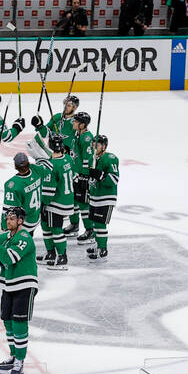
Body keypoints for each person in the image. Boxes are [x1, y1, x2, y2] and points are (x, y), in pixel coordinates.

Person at [0, 207, 39, 374]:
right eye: (7, 218)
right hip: (8, 285)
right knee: (8, 323)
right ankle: (13, 355)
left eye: (12, 218)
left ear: (20, 220)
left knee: (19, 324)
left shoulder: (25, 237)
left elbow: (8, 258)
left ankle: (20, 359)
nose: (8, 221)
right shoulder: (4, 237)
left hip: (25, 284)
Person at [34, 134, 75, 271]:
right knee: (46, 226)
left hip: (55, 203)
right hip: (67, 200)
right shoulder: (68, 159)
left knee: (56, 230)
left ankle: (62, 257)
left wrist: (43, 204)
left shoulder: (51, 165)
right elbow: (73, 175)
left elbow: (49, 190)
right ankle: (51, 254)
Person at [85, 134, 119, 262]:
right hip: (94, 196)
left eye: (97, 144)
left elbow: (114, 179)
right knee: (94, 223)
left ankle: (103, 249)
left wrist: (100, 175)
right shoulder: (91, 159)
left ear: (104, 146)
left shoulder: (110, 158)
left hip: (106, 197)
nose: (94, 146)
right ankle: (98, 244)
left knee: (100, 224)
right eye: (93, 144)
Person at [67, 112, 94, 238]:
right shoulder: (77, 135)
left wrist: (84, 176)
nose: (74, 123)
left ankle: (90, 230)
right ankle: (74, 225)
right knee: (72, 201)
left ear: (82, 125)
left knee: (83, 203)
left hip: (81, 176)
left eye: (76, 121)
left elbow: (87, 159)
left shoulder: (87, 138)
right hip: (74, 175)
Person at [3, 152, 43, 239]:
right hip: (35, 218)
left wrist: (4, 226)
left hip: (24, 224)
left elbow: (10, 209)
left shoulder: (12, 185)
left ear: (15, 166)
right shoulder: (37, 172)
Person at [32, 95, 80, 160]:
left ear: (74, 108)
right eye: (65, 104)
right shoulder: (57, 117)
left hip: (68, 158)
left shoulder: (76, 122)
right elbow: (45, 134)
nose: (65, 107)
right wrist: (40, 126)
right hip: (52, 155)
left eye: (68, 106)